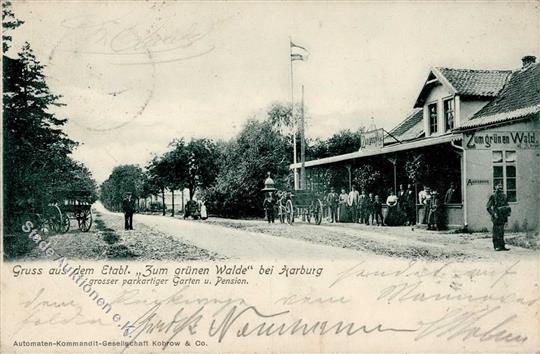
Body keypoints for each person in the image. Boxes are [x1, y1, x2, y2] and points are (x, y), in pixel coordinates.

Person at [486, 183, 511, 251]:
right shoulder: (493, 196)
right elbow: (488, 207)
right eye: (498, 185)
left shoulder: (504, 196)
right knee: (496, 231)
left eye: (501, 186)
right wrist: (493, 214)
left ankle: (502, 246)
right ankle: (496, 246)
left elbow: (507, 206)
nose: (500, 187)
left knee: (501, 231)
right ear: (495, 187)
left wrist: (507, 216)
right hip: (496, 215)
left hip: (503, 215)